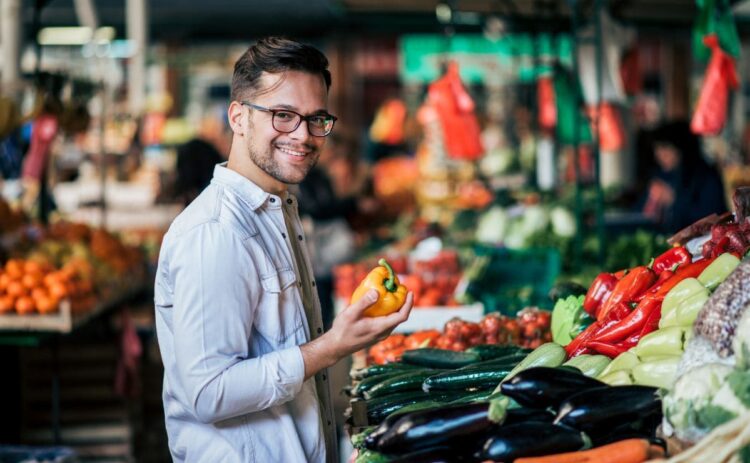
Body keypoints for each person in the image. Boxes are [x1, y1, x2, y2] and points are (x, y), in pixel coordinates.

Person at [153, 37, 414, 463]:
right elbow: (208, 392)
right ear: (238, 117)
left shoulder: (279, 209)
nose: (304, 135)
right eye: (283, 115)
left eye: (316, 119)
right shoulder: (216, 233)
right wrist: (334, 345)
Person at [641, 120, 727, 232]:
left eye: (665, 147)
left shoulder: (705, 176)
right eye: (657, 149)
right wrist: (650, 204)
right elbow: (642, 214)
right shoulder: (662, 175)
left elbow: (714, 218)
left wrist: (673, 200)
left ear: (682, 148)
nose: (659, 155)